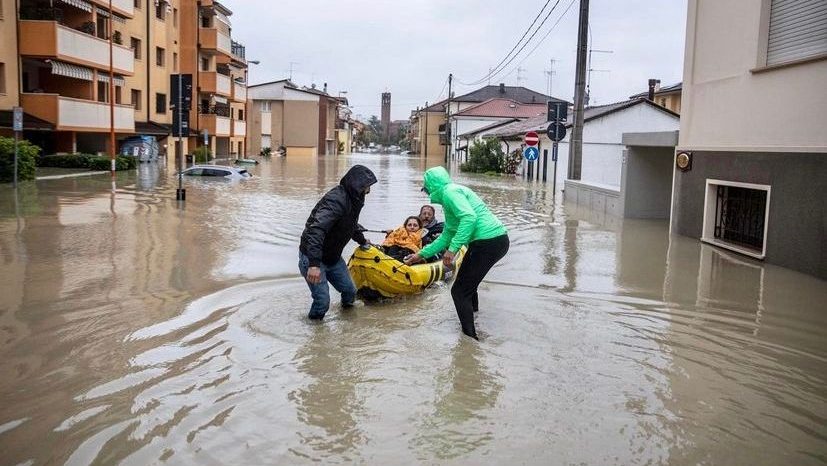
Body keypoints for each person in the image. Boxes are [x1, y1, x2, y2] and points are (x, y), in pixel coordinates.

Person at [404, 166, 509, 340]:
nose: (427, 193)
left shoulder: (450, 193)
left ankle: (470, 340)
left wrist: (452, 250)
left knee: (459, 292)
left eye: (426, 189)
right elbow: (446, 235)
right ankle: (474, 319)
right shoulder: (450, 198)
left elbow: (469, 218)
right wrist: (420, 255)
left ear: (432, 186)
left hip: (488, 242)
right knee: (468, 286)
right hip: (493, 241)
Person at [299, 164, 378, 320]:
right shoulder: (336, 200)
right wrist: (314, 265)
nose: (369, 190)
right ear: (357, 184)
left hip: (333, 257)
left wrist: (362, 241)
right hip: (313, 258)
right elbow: (316, 230)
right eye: (367, 186)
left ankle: (347, 321)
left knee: (350, 292)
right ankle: (315, 329)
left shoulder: (355, 199)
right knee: (322, 302)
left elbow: (350, 224)